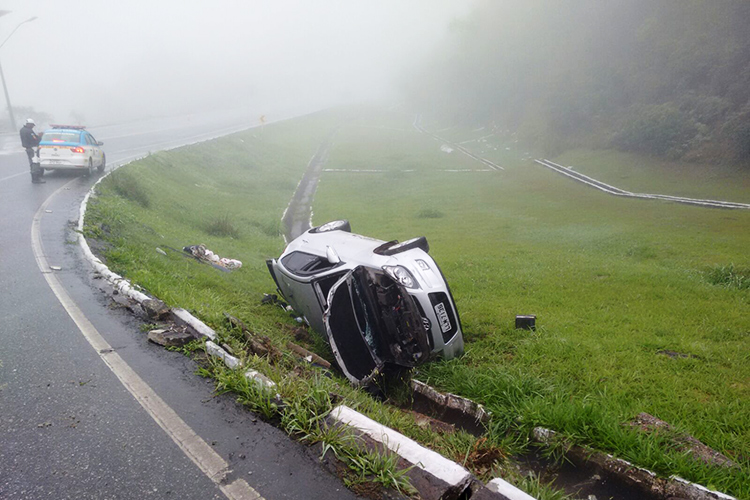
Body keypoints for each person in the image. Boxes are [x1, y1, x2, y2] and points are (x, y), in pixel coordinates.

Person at [19, 118, 43, 183]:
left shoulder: (22, 130)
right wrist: (39, 136)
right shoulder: (29, 131)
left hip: (28, 148)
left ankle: (34, 178)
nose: (33, 126)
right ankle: (36, 179)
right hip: (33, 148)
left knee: (32, 163)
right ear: (29, 124)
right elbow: (35, 139)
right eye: (32, 125)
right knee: (35, 163)